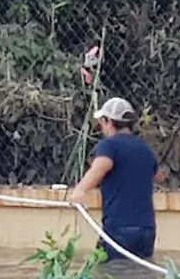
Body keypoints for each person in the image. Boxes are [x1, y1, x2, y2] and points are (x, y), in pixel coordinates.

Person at [69, 97, 162, 261]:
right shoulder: (145, 149)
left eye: (102, 122)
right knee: (141, 275)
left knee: (109, 277)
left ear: (109, 121)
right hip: (147, 230)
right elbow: (156, 175)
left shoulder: (109, 145)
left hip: (119, 228)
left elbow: (101, 166)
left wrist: (80, 191)